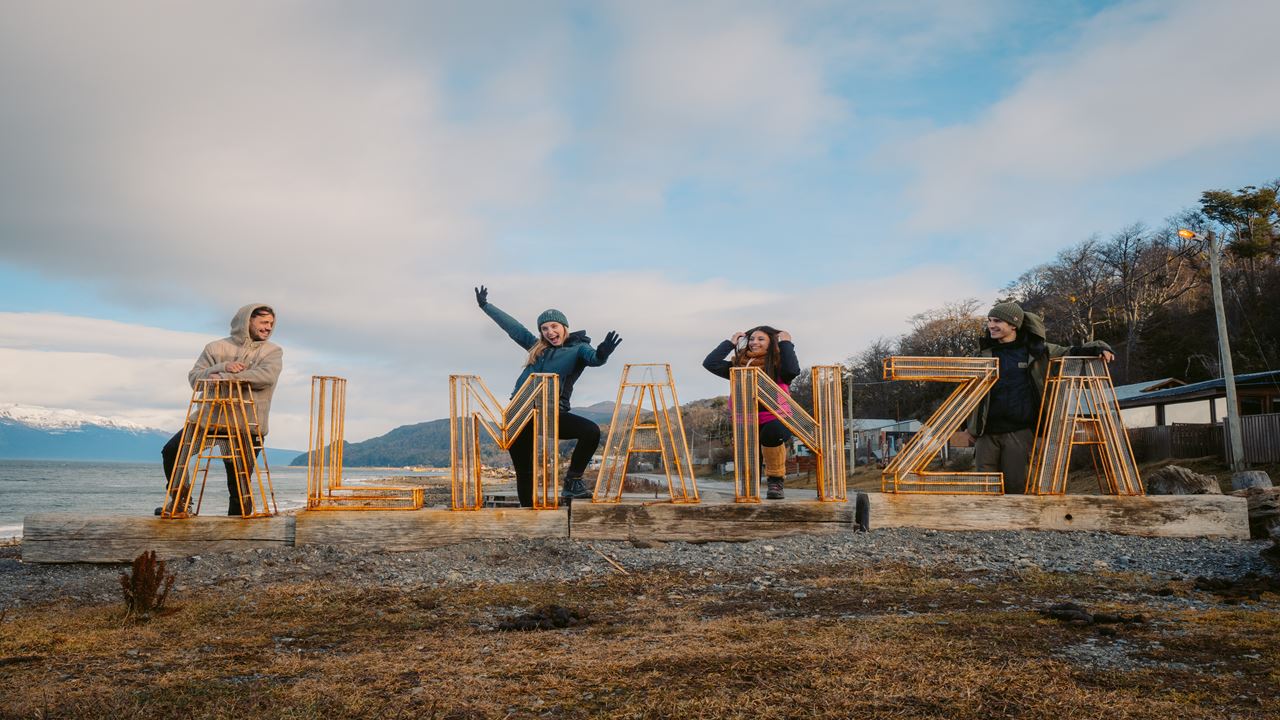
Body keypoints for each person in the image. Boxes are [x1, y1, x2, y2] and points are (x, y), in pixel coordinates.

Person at [475, 286, 621, 505]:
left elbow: (594, 359)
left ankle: (572, 482)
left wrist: (602, 354)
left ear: (564, 327)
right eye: (544, 328)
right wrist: (486, 306)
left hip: (550, 413)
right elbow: (513, 328)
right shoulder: (537, 347)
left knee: (590, 431)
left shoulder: (579, 348)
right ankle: (528, 517)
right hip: (519, 412)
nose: (549, 332)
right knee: (525, 472)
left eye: (554, 326)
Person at [958, 301, 1113, 494]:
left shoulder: (1037, 351)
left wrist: (1100, 347)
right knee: (984, 489)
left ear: (1013, 324)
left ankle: (1016, 525)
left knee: (1017, 487)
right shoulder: (981, 355)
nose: (991, 325)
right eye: (989, 320)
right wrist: (965, 426)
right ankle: (990, 525)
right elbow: (967, 393)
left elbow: (1071, 351)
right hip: (985, 434)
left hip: (1020, 432)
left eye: (997, 321)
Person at [157, 304, 282, 516]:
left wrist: (225, 378)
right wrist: (220, 367)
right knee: (172, 452)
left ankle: (238, 532)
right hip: (209, 420)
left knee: (238, 482)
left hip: (246, 424)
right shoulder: (215, 348)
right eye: (263, 322)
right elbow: (194, 379)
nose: (268, 328)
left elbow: (265, 377)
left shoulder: (272, 351)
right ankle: (180, 501)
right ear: (247, 322)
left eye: (270, 323)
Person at [703, 326, 800, 499]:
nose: (754, 342)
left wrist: (786, 343)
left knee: (772, 433)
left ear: (772, 343)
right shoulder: (738, 366)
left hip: (775, 416)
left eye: (761, 339)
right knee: (747, 451)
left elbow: (791, 371)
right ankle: (749, 486)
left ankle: (775, 481)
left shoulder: (778, 365)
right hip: (745, 418)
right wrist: (730, 343)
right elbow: (710, 363)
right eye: (752, 339)